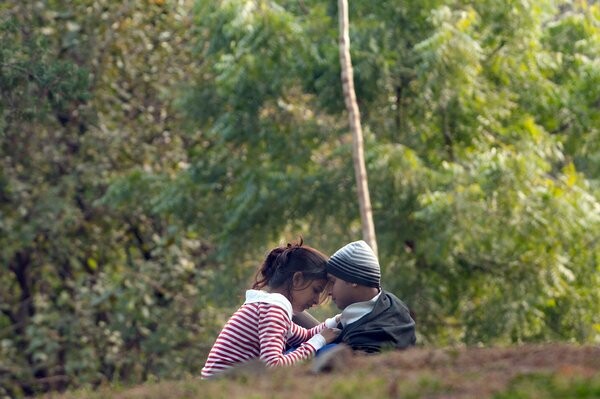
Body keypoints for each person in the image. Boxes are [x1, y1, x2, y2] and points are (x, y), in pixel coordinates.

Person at [201, 240, 341, 378]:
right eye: (316, 290)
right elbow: (274, 366)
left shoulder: (269, 306)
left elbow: (304, 336)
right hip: (221, 387)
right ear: (297, 279)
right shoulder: (274, 309)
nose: (316, 300)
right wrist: (318, 342)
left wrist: (336, 320)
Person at [325, 240, 416, 353]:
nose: (329, 291)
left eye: (332, 282)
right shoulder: (394, 305)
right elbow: (327, 334)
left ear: (353, 279)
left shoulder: (365, 337)